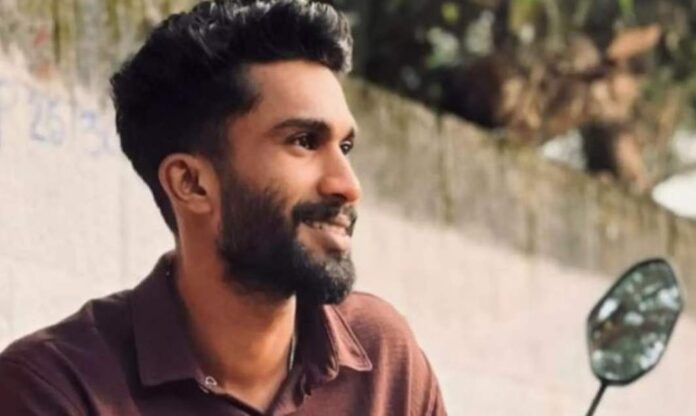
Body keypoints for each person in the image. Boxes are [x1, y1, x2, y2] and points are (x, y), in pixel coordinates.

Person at [0, 1, 446, 414]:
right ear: (191, 184)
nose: (348, 185)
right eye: (304, 141)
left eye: (344, 146)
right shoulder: (57, 387)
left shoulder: (382, 358)